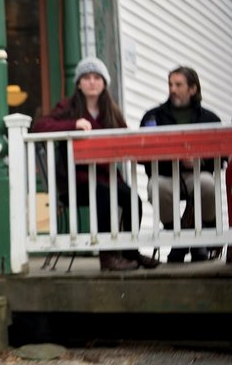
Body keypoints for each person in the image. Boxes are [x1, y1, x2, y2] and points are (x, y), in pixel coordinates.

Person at [33, 55, 159, 272]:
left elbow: (126, 140)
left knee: (132, 199)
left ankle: (130, 252)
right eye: (86, 77)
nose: (92, 82)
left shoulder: (111, 111)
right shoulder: (68, 107)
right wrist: (73, 124)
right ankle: (107, 256)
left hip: (107, 178)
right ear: (79, 84)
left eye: (97, 77)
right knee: (104, 195)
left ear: (104, 83)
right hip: (76, 182)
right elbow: (40, 126)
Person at [140, 66, 221, 263]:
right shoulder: (153, 116)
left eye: (178, 85)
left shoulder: (209, 118)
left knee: (207, 185)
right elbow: (143, 154)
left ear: (193, 89)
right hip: (165, 174)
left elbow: (222, 156)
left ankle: (189, 238)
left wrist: (200, 161)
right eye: (170, 84)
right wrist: (171, 158)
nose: (172, 89)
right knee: (155, 187)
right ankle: (184, 237)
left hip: (197, 174)